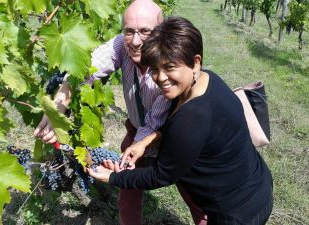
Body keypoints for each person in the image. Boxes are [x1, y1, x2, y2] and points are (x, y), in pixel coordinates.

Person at [88, 17, 274, 225]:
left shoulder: (193, 117)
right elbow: (190, 132)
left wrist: (113, 178)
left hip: (237, 212)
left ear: (195, 61)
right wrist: (147, 141)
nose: (160, 78)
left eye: (169, 67)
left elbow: (161, 175)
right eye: (155, 70)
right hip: (255, 183)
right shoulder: (206, 79)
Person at [34, 1, 179, 224]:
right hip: (137, 132)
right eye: (129, 31)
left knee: (196, 194)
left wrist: (128, 158)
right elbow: (85, 69)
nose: (136, 40)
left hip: (173, 136)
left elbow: (153, 123)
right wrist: (60, 103)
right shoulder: (122, 45)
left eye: (145, 32)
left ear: (162, 32)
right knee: (128, 199)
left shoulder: (170, 67)